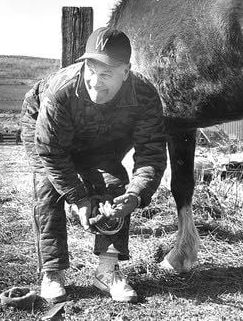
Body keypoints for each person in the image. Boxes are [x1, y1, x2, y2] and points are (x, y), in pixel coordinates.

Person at [20, 27, 166, 303]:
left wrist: (135, 195)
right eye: (91, 71)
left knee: (115, 186)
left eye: (107, 74)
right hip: (48, 135)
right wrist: (78, 198)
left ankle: (106, 271)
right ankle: (52, 272)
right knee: (48, 189)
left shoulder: (145, 96)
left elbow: (152, 154)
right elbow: (52, 153)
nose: (96, 82)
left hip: (100, 140)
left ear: (126, 71)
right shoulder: (60, 92)